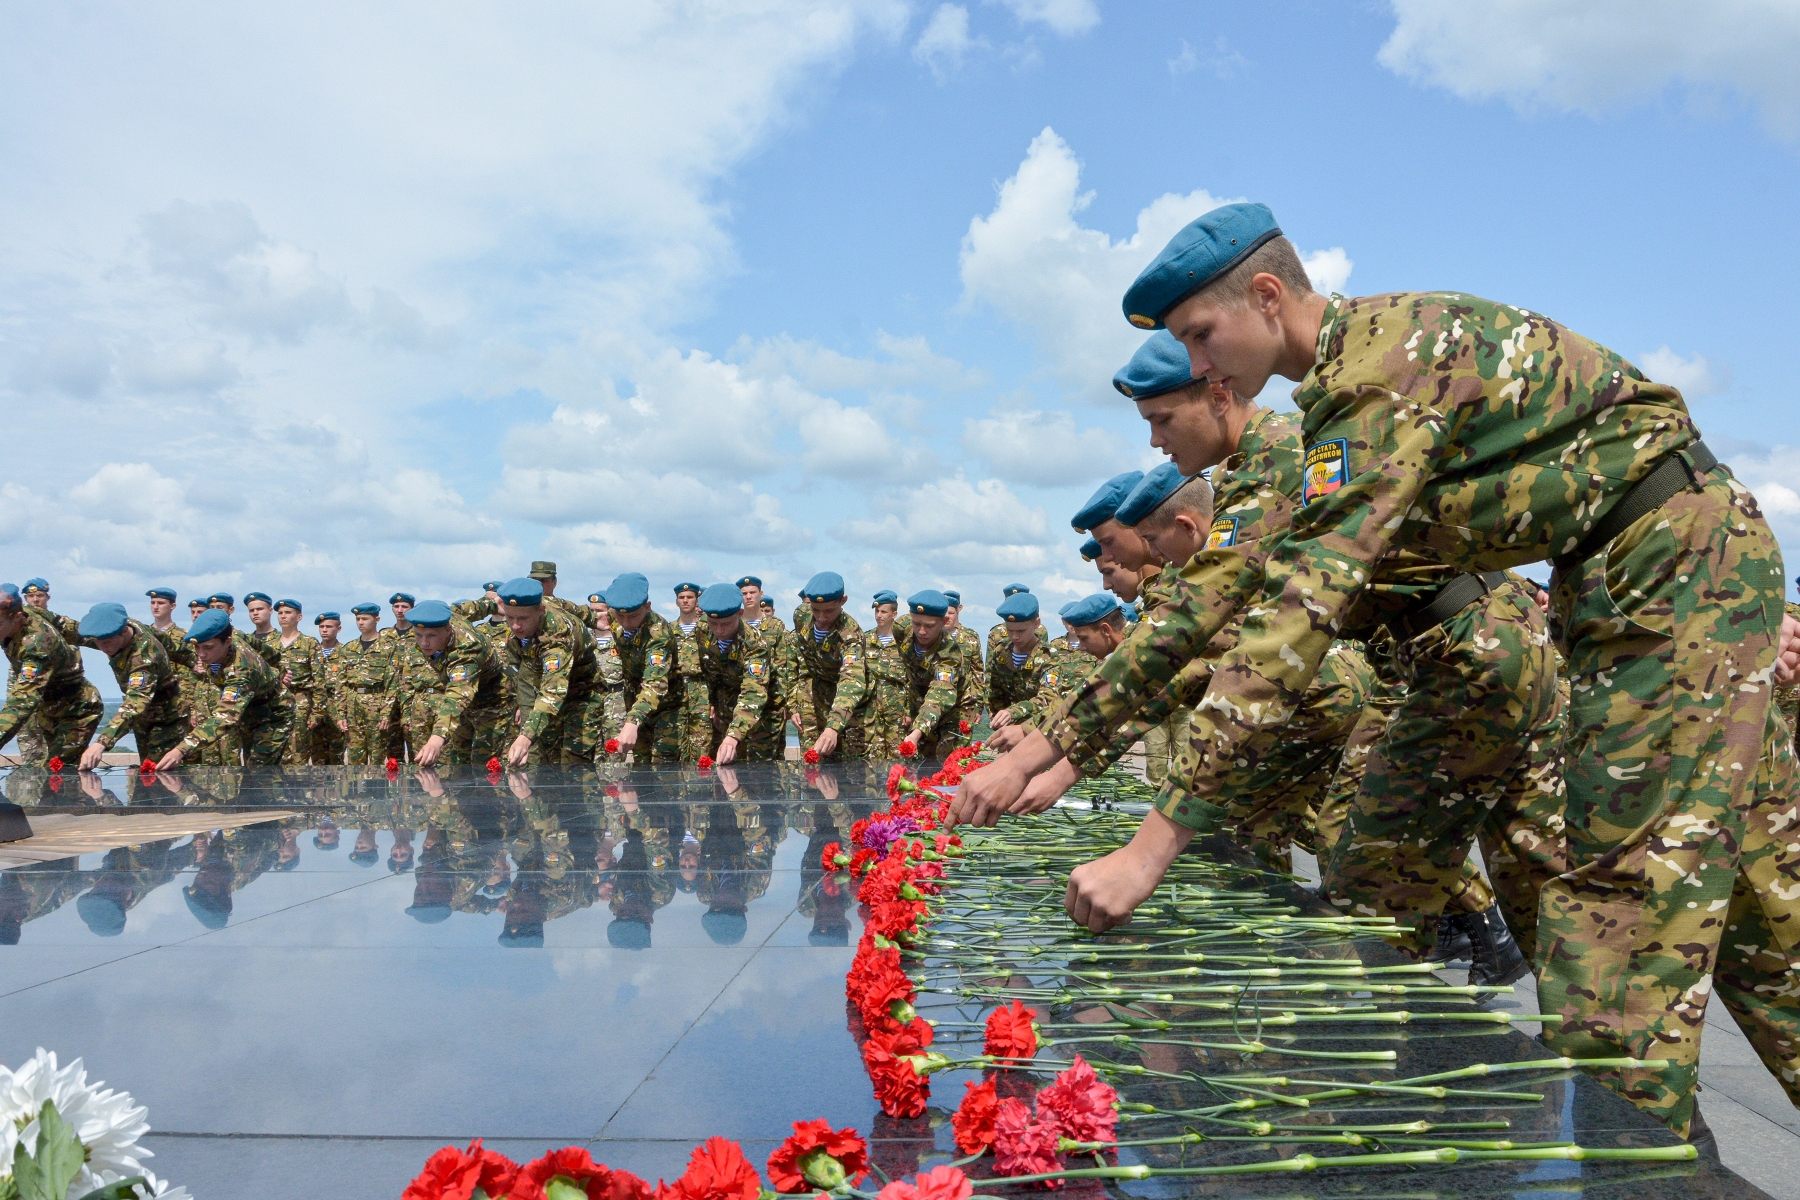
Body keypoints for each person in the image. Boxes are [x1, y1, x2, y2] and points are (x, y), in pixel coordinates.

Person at [1019, 200, 1788, 1135]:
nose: (1198, 364)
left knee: (1614, 922)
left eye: (1199, 335)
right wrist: (1061, 750)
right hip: (1643, 580)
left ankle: (1635, 1170)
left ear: (1267, 295)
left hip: (1665, 580)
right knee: (1756, 914)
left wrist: (1149, 844)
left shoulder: (1374, 375)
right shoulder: (1350, 377)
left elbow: (1292, 616)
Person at [475, 577, 604, 766]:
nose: (516, 625)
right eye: (510, 618)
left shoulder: (557, 634)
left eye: (523, 618)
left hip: (580, 699)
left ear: (540, 611)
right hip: (541, 700)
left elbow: (553, 690)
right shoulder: (518, 633)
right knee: (542, 764)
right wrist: (526, 734)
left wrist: (525, 737)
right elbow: (524, 678)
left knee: (575, 770)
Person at [157, 609, 291, 769]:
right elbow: (266, 650)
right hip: (249, 713)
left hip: (274, 715)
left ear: (227, 642)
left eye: (207, 648)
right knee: (252, 775)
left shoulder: (241, 670)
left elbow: (225, 716)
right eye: (197, 647)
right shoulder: (234, 635)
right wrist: (279, 669)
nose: (201, 654)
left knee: (259, 772)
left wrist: (181, 750)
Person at [0, 585, 103, 766]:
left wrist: (120, 643)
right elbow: (70, 628)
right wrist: (99, 638)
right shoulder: (28, 612)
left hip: (76, 711)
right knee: (57, 781)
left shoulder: (35, 645)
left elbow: (22, 700)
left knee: (57, 774)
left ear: (17, 617)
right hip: (49, 712)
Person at [75, 603, 187, 769]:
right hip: (142, 719)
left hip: (167, 717)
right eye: (98, 642)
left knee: (159, 775)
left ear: (123, 631)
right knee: (146, 773)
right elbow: (164, 639)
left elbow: (135, 704)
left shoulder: (143, 656)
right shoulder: (127, 625)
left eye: (108, 642)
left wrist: (101, 743)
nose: (104, 648)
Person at [403, 600, 509, 766]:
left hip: (493, 699)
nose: (424, 643)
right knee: (459, 759)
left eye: (431, 636)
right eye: (418, 635)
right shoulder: (447, 615)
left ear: (448, 630)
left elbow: (458, 694)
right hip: (465, 705)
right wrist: (493, 604)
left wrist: (435, 740)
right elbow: (470, 607)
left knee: (485, 762)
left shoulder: (466, 649)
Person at [692, 583, 784, 764]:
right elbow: (706, 670)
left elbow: (753, 692)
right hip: (725, 709)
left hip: (762, 713)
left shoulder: (755, 643)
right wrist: (714, 703)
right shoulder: (702, 630)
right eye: (713, 623)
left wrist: (733, 736)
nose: (719, 630)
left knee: (759, 776)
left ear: (740, 614)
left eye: (725, 624)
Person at [620, 583, 710, 763]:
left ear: (697, 600)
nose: (685, 601)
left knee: (701, 747)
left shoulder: (706, 629)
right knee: (670, 748)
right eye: (682, 597)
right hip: (668, 690)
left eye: (690, 597)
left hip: (700, 691)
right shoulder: (666, 629)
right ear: (676, 601)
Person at [786, 572, 870, 760]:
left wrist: (833, 727)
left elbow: (851, 681)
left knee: (852, 765)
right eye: (816, 610)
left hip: (851, 704)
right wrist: (793, 704)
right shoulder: (801, 616)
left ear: (843, 601)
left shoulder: (850, 635)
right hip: (815, 694)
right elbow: (794, 663)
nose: (822, 617)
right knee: (813, 760)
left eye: (829, 611)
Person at [897, 590, 972, 759]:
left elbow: (939, 696)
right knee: (919, 762)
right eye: (916, 624)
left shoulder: (949, 653)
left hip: (951, 711)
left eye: (929, 626)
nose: (921, 631)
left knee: (948, 763)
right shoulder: (901, 628)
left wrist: (916, 734)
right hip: (919, 704)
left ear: (944, 622)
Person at [986, 592, 1054, 734]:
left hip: (1039, 729)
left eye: (1021, 630)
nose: (1015, 636)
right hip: (1008, 729)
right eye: (1009, 630)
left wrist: (1013, 712)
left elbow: (1048, 698)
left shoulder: (1049, 656)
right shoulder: (1001, 651)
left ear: (1037, 624)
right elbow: (995, 694)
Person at [337, 603, 394, 765]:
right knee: (355, 758)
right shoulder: (349, 648)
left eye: (365, 619)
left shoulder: (388, 647)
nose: (361, 622)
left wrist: (386, 713)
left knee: (377, 757)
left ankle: (377, 790)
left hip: (376, 704)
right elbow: (341, 684)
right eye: (358, 619)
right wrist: (341, 713)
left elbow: (392, 683)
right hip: (353, 706)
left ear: (377, 619)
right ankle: (357, 791)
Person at [269, 599, 323, 764]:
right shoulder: (270, 644)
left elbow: (319, 680)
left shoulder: (309, 643)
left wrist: (317, 713)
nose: (283, 616)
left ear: (299, 617)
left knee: (299, 751)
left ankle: (298, 788)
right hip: (276, 704)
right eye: (280, 613)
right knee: (277, 749)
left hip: (301, 701)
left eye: (288, 613)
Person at [860, 590, 908, 759]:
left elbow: (911, 679)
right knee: (871, 755)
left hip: (897, 706)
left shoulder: (904, 641)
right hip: (870, 706)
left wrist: (909, 710)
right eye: (877, 611)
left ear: (894, 614)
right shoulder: (865, 640)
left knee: (899, 755)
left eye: (883, 612)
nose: (879, 615)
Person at [379, 592, 421, 760]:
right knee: (392, 752)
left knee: (415, 747)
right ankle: (395, 785)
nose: (400, 610)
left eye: (404, 607)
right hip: (389, 699)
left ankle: (417, 786)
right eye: (396, 607)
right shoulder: (384, 635)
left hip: (411, 696)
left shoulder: (419, 633)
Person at [312, 612, 348, 765]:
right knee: (317, 757)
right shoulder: (312, 652)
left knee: (337, 757)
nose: (324, 630)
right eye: (321, 627)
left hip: (336, 708)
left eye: (329, 627)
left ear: (338, 629)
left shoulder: (345, 652)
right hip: (316, 708)